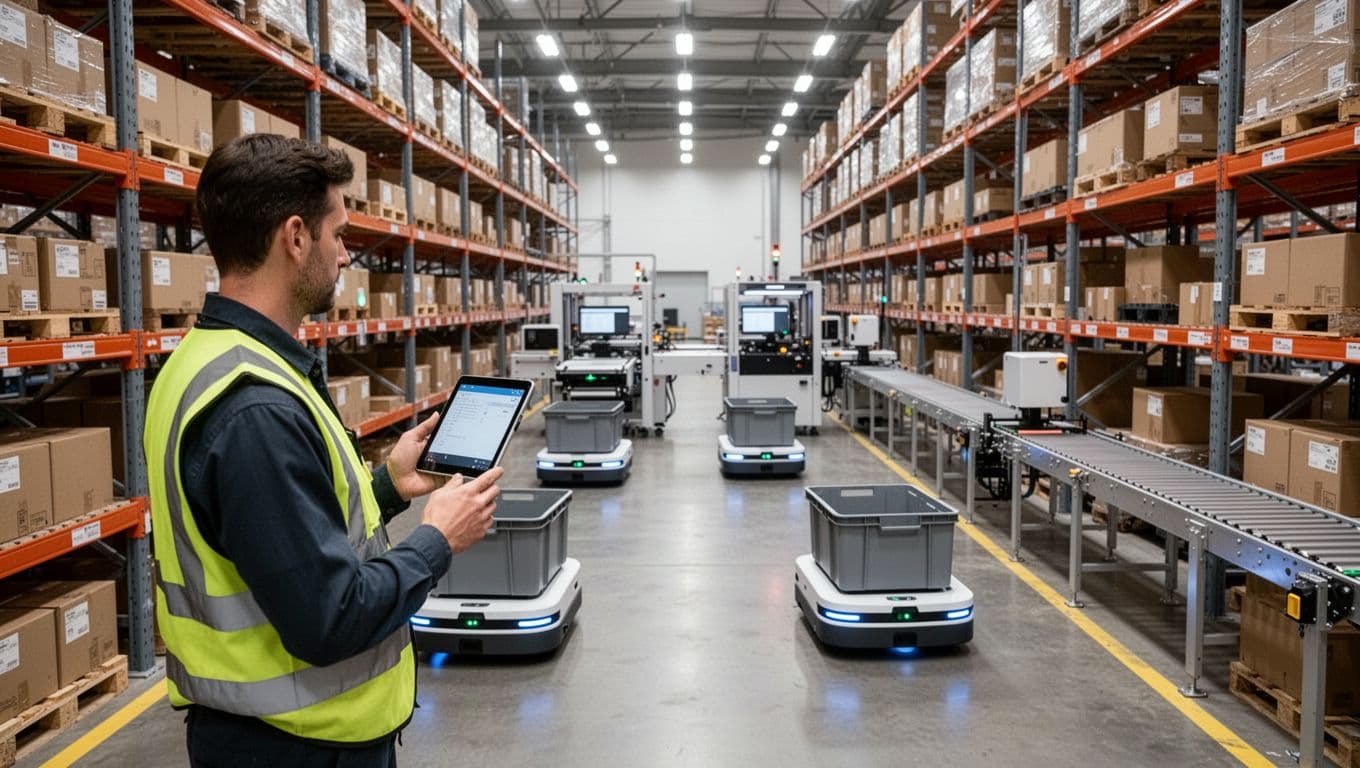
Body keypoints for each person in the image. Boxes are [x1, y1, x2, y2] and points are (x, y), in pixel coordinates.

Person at [143, 134, 503, 767]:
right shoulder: (255, 408)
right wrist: (437, 539)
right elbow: (329, 617)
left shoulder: (206, 361)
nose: (344, 254)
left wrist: (388, 486)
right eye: (337, 233)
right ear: (295, 237)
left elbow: (284, 530)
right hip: (297, 743)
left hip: (267, 733)